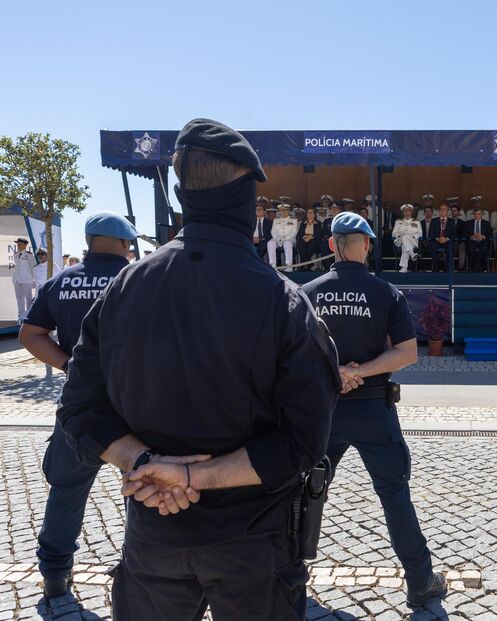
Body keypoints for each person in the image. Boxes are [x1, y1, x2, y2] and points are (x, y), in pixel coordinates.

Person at [56, 118, 342, 620]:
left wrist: (146, 465)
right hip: (253, 548)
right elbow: (302, 442)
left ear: (182, 196)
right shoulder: (283, 302)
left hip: (153, 535)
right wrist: (192, 475)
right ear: (247, 200)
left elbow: (80, 408)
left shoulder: (122, 291)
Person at [303, 212, 447, 608]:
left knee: (306, 493)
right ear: (366, 245)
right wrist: (361, 372)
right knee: (394, 493)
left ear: (331, 244)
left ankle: (290, 573)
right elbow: (407, 352)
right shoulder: (386, 293)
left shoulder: (308, 292)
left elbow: (294, 356)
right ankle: (420, 582)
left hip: (323, 411)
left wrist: (337, 372)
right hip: (373, 410)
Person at [20, 213, 137, 601]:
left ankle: (55, 571)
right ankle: (142, 565)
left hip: (79, 404)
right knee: (145, 480)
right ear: (124, 244)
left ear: (89, 241)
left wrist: (68, 364)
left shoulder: (61, 281)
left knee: (67, 489)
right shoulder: (140, 278)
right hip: (136, 404)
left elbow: (30, 333)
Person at [268, 203, 298, 269]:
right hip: (278, 239)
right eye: (282, 211)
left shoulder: (294, 220)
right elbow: (273, 231)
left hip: (290, 239)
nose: (283, 212)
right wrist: (278, 238)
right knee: (270, 243)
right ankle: (273, 265)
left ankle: (289, 266)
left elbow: (294, 232)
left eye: (285, 210)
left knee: (287, 243)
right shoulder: (276, 220)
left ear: (288, 211)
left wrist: (284, 238)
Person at [12, 237, 35, 322]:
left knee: (28, 298)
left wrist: (34, 280)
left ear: (25, 245)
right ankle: (21, 315)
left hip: (26, 279)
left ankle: (29, 315)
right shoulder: (15, 254)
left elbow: (33, 267)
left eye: (20, 243)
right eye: (17, 243)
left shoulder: (29, 255)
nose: (18, 245)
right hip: (16, 279)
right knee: (19, 298)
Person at [393, 204, 421, 273]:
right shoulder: (398, 221)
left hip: (413, 241)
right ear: (403, 213)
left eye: (408, 211)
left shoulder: (416, 221)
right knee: (404, 237)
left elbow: (420, 233)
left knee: (405, 241)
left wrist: (413, 236)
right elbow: (393, 233)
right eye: (405, 211)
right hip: (399, 241)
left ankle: (404, 267)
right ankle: (412, 254)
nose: (407, 213)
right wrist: (400, 235)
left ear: (411, 212)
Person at [429, 204, 457, 272]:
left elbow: (453, 234)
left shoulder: (451, 221)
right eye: (440, 209)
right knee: (432, 246)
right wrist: (438, 238)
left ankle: (447, 268)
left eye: (444, 209)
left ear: (447, 211)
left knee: (450, 246)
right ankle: (435, 268)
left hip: (447, 241)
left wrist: (446, 239)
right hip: (437, 241)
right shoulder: (434, 221)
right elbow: (431, 233)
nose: (442, 211)